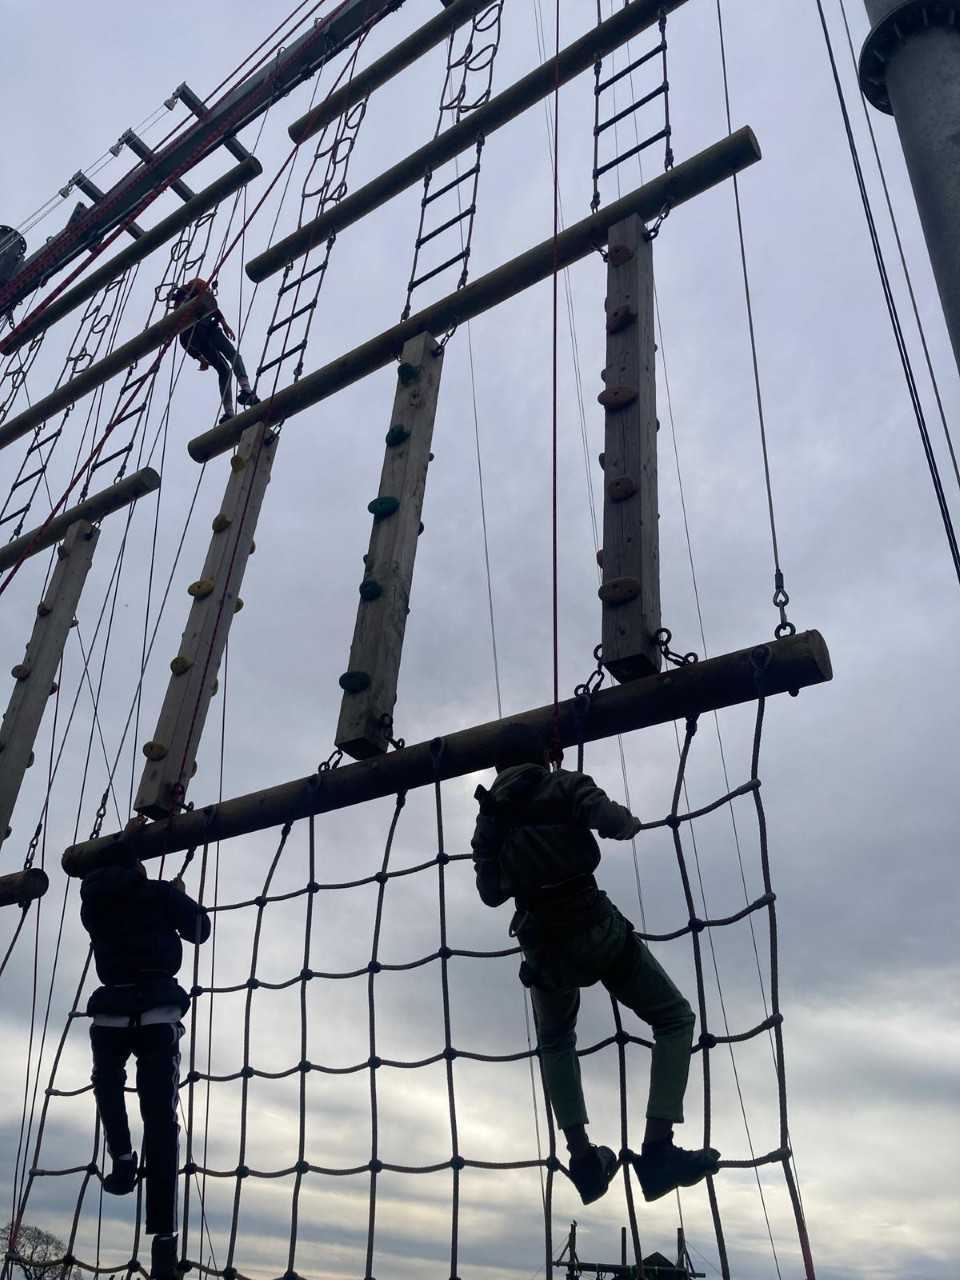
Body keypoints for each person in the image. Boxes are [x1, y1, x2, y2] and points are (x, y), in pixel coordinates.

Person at [471, 723, 720, 1206]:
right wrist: (628, 822)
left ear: (499, 767)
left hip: (543, 950)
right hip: (596, 932)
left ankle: (583, 1159)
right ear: (543, 755)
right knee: (674, 1018)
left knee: (556, 1041)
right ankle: (658, 1150)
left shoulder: (490, 820)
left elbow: (490, 893)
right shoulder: (564, 785)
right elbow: (611, 821)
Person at [80, 862, 211, 1280]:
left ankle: (121, 1159)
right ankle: (164, 1242)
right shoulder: (157, 894)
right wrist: (176, 897)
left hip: (110, 1013)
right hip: (157, 1012)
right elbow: (200, 929)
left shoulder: (93, 900)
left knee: (107, 1085)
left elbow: (113, 920)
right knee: (160, 1120)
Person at [171, 277, 259, 423]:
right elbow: (212, 307)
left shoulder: (181, 305)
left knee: (224, 371)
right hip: (208, 329)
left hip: (196, 339)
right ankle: (246, 390)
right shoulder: (196, 290)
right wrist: (224, 324)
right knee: (233, 355)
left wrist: (200, 359)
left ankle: (229, 412)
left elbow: (184, 341)